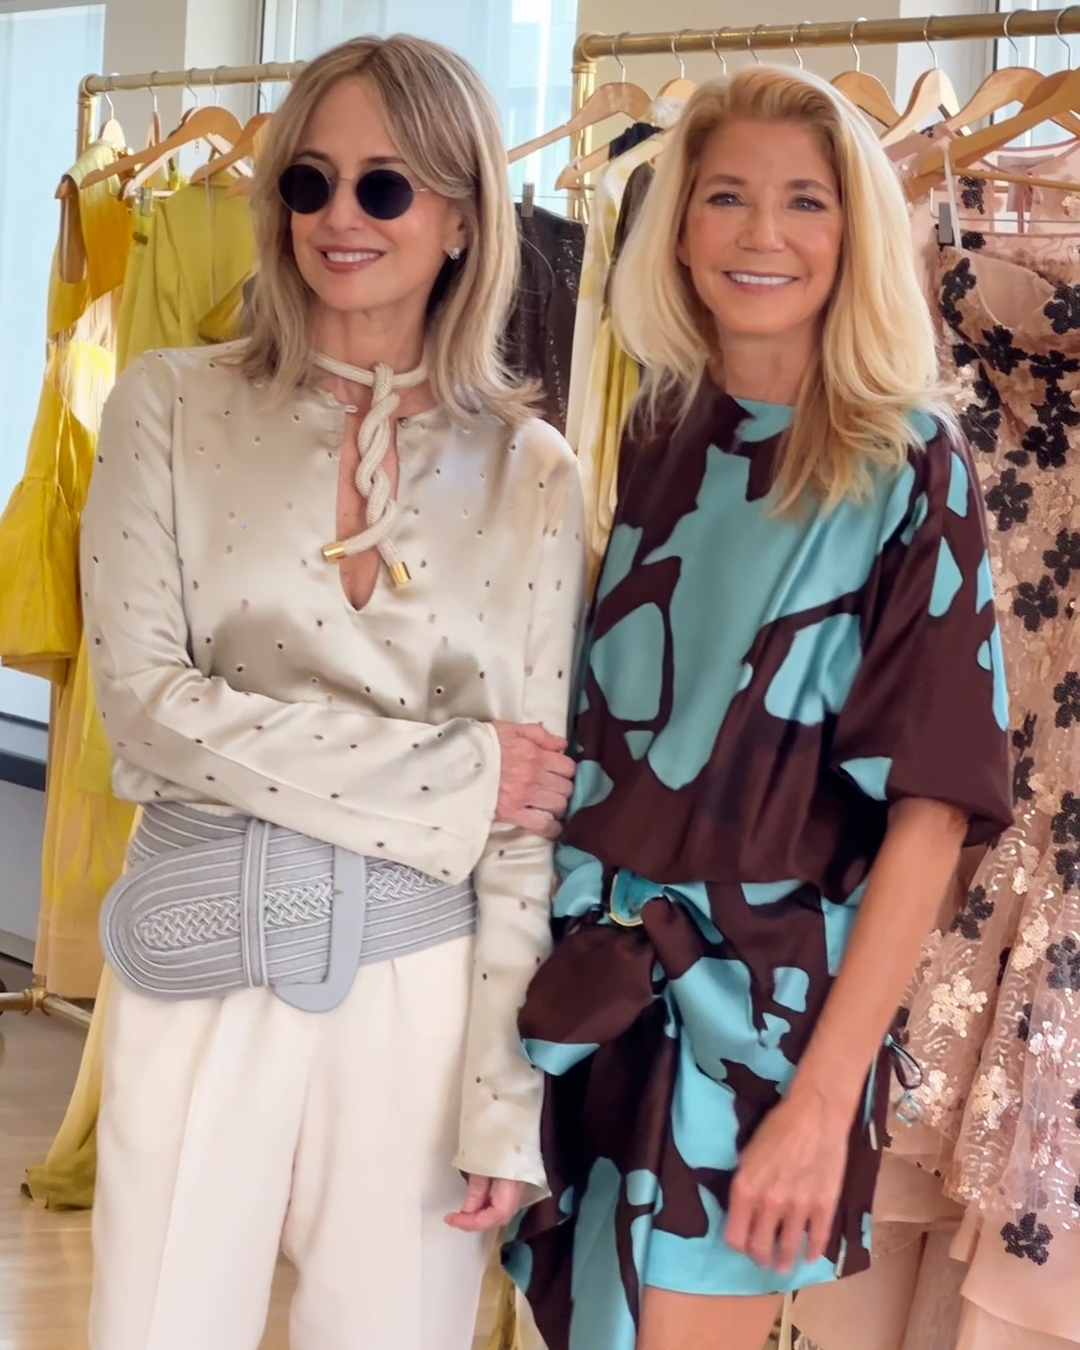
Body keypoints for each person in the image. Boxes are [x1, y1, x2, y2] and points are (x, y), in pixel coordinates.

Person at [80, 34, 585, 1350]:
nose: (338, 219)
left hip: (422, 992)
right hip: (199, 962)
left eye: (383, 185)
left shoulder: (535, 472)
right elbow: (142, 710)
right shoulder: (166, 407)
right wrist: (458, 772)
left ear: (465, 212)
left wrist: (500, 1091)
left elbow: (528, 832)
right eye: (307, 184)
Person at [502, 65, 1013, 1350]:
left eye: (806, 201)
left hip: (756, 1036)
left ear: (857, 236)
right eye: (725, 196)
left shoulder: (909, 460)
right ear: (677, 226)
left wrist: (823, 1097)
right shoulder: (665, 425)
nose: (762, 234)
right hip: (587, 990)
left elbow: (933, 817)